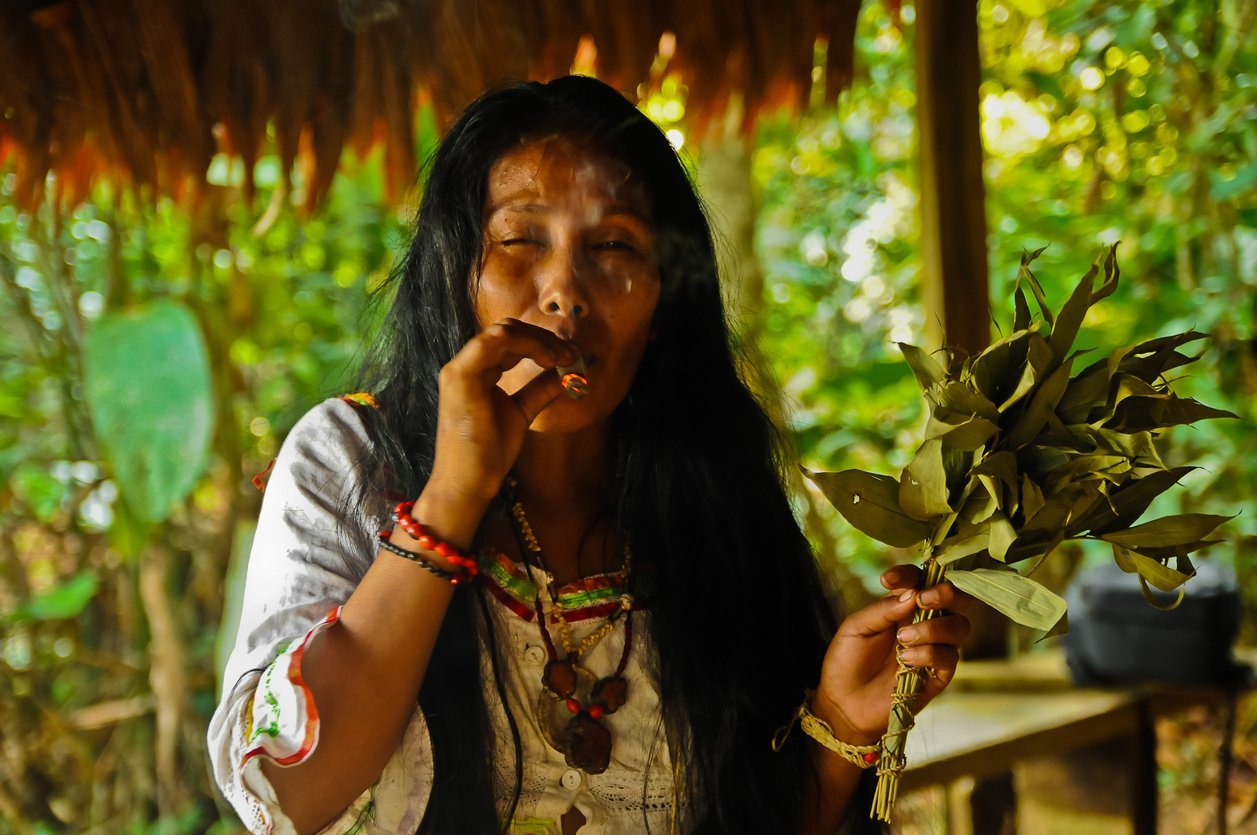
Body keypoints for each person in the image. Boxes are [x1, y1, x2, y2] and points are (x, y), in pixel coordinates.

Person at [208, 75, 971, 835]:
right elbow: (290, 795)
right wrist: (451, 497)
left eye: (611, 245)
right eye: (518, 240)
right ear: (454, 274)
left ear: (664, 301)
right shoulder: (350, 462)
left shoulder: (713, 498)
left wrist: (838, 722)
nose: (565, 291)